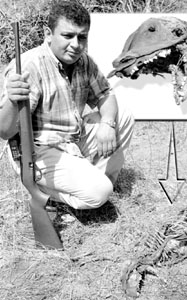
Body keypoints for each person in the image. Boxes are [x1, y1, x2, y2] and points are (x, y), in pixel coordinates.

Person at [0, 0, 134, 210]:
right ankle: (50, 193)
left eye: (82, 37)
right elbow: (5, 131)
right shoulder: (28, 66)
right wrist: (11, 100)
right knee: (99, 192)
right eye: (67, 36)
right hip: (39, 152)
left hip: (72, 140)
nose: (76, 45)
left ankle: (96, 183)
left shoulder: (84, 61)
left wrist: (107, 124)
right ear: (48, 33)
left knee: (122, 114)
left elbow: (106, 94)